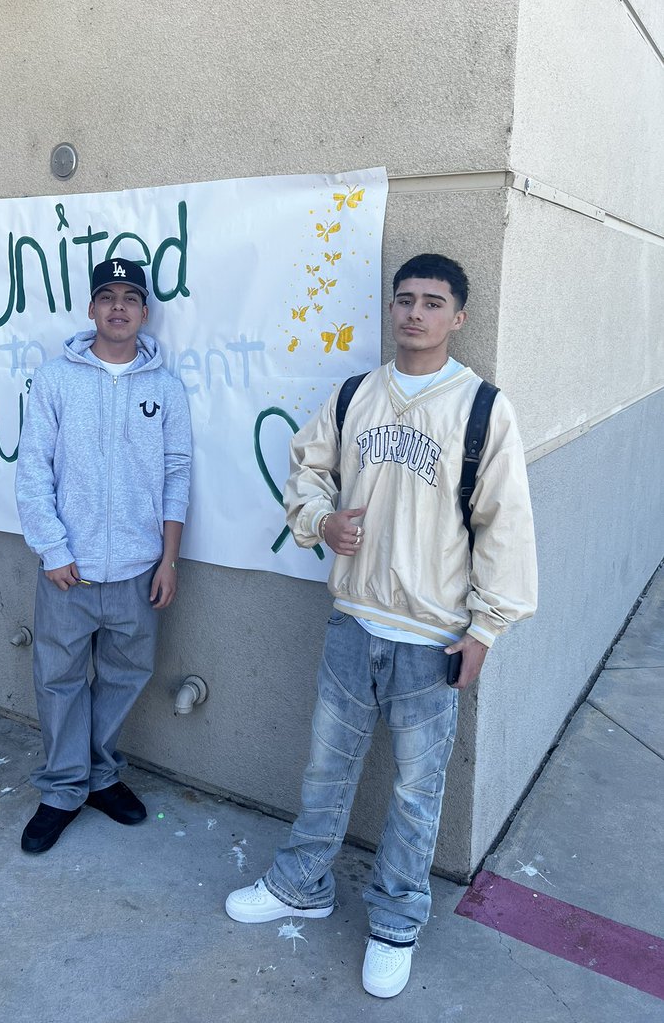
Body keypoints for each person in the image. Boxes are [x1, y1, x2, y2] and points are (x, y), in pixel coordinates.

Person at [225, 253, 537, 998]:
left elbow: (507, 526)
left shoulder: (484, 409)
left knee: (414, 794)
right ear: (390, 309)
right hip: (353, 624)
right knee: (326, 772)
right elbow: (307, 469)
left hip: (431, 639)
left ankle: (397, 922)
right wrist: (319, 520)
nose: (415, 314)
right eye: (405, 300)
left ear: (457, 318)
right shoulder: (355, 395)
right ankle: (302, 883)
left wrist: (486, 629)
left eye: (433, 303)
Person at [15, 257, 191, 854]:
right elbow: (32, 469)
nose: (119, 306)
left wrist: (168, 559)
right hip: (69, 570)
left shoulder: (164, 388)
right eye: (107, 295)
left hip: (139, 570)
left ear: (145, 313)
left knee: (124, 675)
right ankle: (63, 788)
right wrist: (52, 548)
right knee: (58, 679)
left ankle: (99, 775)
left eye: (131, 297)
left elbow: (175, 472)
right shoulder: (55, 379)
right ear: (91, 309)